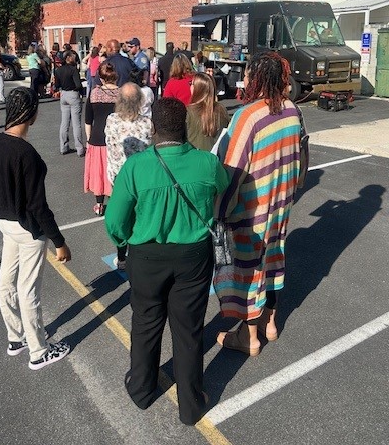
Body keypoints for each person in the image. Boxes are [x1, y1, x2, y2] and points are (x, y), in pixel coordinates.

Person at [105, 98, 229, 425]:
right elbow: (223, 189)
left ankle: (142, 390)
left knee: (146, 323)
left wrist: (124, 242)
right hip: (193, 255)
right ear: (185, 126)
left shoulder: (136, 166)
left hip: (147, 255)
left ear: (153, 128)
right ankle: (190, 404)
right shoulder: (207, 162)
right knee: (188, 329)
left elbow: (115, 222)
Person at [214, 52, 302, 357]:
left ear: (256, 79)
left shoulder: (248, 116)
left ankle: (248, 338)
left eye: (248, 75)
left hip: (251, 210)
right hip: (281, 205)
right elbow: (300, 157)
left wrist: (220, 212)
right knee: (274, 259)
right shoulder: (292, 110)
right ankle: (270, 323)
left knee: (249, 269)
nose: (245, 80)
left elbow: (231, 171)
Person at [0, 87, 71, 370]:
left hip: (6, 223)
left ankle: (15, 337)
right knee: (27, 289)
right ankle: (38, 351)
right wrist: (59, 241)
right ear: (31, 114)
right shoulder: (26, 154)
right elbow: (38, 206)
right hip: (28, 227)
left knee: (6, 281)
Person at [104, 83, 152, 268]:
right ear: (140, 100)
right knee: (140, 215)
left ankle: (122, 256)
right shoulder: (146, 123)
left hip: (118, 177)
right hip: (141, 178)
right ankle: (139, 252)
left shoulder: (112, 120)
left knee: (122, 217)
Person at [84, 61, 120, 216]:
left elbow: (88, 120)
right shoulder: (121, 94)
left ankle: (99, 204)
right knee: (113, 172)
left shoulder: (94, 93)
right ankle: (114, 204)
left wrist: (88, 138)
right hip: (115, 139)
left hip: (97, 138)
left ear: (101, 77)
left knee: (99, 174)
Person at [186, 72, 230, 151]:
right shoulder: (221, 110)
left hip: (194, 157)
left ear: (197, 88)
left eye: (191, 84)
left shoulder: (188, 112)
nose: (190, 87)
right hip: (215, 157)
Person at [54, 52, 85, 157]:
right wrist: (81, 93)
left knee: (64, 122)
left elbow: (57, 85)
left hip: (64, 94)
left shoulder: (58, 70)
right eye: (73, 57)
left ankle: (63, 147)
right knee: (76, 124)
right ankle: (80, 148)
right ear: (68, 58)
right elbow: (78, 85)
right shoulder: (73, 70)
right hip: (73, 94)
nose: (75, 58)